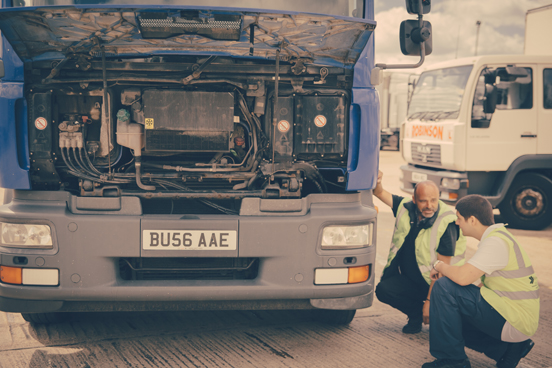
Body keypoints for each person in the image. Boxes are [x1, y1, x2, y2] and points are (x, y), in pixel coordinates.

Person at [423, 195, 539, 368]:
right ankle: (506, 350)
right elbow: (481, 286)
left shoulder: (496, 243)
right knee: (451, 313)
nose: (456, 222)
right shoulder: (498, 238)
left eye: (459, 218)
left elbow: (462, 278)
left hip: (515, 319)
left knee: (444, 287)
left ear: (472, 220)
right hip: (515, 318)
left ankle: (454, 361)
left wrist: (439, 265)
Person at [374, 171, 466, 334]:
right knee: (384, 289)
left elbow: (442, 268)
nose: (429, 206)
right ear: (414, 200)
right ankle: (416, 315)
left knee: (454, 328)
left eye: (433, 200)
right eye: (423, 201)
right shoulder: (404, 208)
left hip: (442, 286)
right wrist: (377, 180)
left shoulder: (446, 222)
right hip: (414, 281)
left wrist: (429, 301)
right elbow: (379, 192)